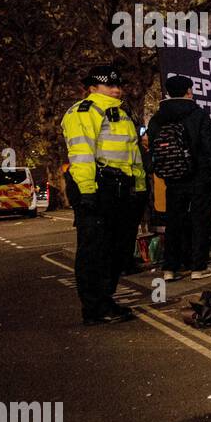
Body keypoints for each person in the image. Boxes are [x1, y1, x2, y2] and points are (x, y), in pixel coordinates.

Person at [61, 64, 147, 324]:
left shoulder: (121, 113)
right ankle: (94, 308)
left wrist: (140, 187)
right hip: (97, 186)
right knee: (94, 250)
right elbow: (82, 154)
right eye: (110, 85)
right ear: (92, 88)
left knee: (117, 249)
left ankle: (106, 300)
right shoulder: (83, 112)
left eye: (118, 85)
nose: (116, 89)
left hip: (122, 188)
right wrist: (87, 193)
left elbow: (132, 154)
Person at [147, 75, 211, 281]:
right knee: (200, 222)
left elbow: (153, 146)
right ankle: (198, 266)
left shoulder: (158, 118)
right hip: (198, 175)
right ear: (188, 91)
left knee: (173, 222)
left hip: (172, 177)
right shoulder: (197, 114)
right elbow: (209, 145)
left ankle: (170, 267)